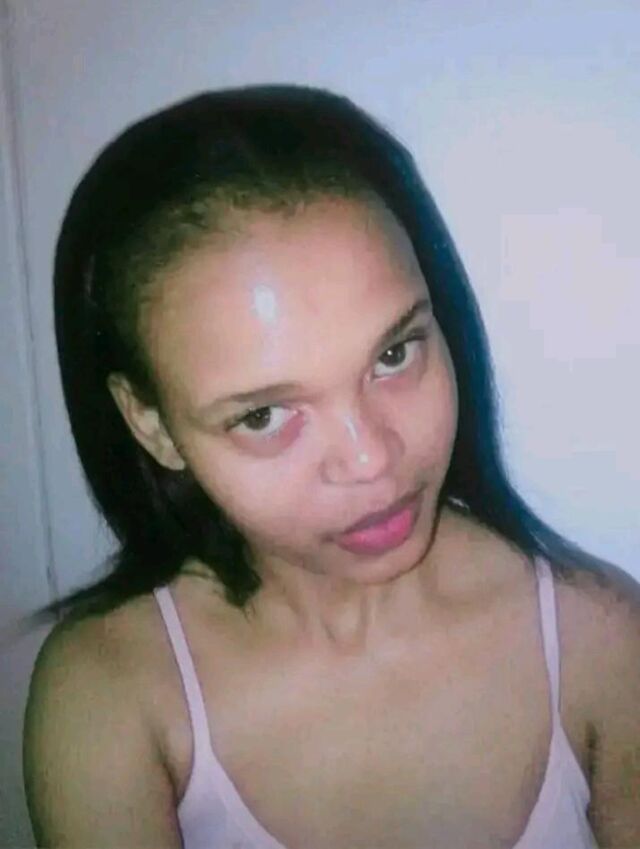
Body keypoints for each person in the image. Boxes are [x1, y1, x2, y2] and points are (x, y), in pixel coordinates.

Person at [22, 85, 639, 849]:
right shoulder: (113, 695)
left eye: (395, 352)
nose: (373, 458)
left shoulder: (599, 640)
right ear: (153, 425)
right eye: (263, 416)